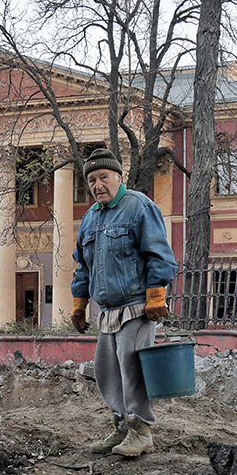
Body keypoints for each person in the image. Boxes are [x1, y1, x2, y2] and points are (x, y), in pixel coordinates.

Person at [71, 148, 177, 457]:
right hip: (108, 310)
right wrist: (79, 303)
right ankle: (121, 428)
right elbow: (84, 267)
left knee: (133, 369)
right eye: (91, 180)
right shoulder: (90, 218)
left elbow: (159, 255)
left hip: (137, 307)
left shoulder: (138, 207)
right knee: (107, 371)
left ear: (119, 177)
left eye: (103, 177)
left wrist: (156, 294)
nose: (97, 184)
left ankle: (140, 431)